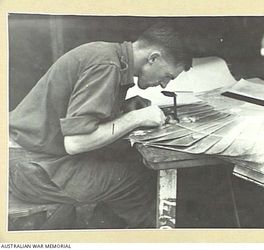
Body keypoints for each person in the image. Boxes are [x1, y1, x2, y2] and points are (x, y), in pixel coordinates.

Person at [9, 22, 192, 229]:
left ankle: (102, 230)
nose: (164, 84)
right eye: (167, 76)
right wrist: (137, 118)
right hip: (30, 168)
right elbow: (76, 142)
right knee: (139, 181)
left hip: (32, 157)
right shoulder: (107, 66)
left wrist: (122, 108)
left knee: (127, 166)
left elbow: (75, 113)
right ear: (153, 58)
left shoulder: (108, 55)